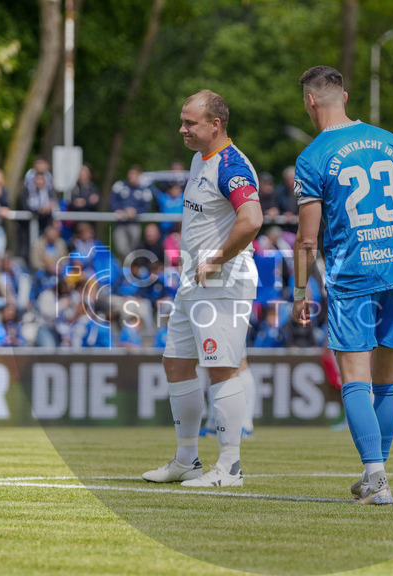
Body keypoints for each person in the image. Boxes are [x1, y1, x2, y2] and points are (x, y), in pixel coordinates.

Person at [291, 65, 393, 505]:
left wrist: (299, 291)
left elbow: (308, 239)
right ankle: (378, 475)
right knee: (388, 378)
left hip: (353, 275)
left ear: (311, 102)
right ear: (345, 97)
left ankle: (376, 476)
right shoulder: (392, 143)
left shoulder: (312, 157)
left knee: (355, 377)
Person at [142, 89, 262, 489]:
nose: (182, 129)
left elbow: (252, 219)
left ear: (215, 125)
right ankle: (187, 460)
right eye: (182, 121)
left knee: (221, 369)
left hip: (223, 280)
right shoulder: (200, 159)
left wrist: (216, 259)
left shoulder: (231, 165)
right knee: (175, 362)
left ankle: (229, 467)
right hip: (194, 281)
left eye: (190, 123)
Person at [110, 165, 155, 258]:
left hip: (134, 223)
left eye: (134, 174)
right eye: (130, 174)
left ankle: (129, 267)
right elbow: (111, 200)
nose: (131, 176)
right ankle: (127, 266)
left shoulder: (145, 190)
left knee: (133, 248)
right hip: (120, 223)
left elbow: (147, 207)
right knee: (121, 248)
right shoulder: (120, 185)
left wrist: (135, 211)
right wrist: (118, 209)